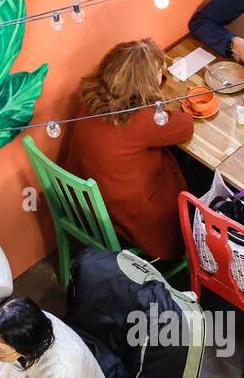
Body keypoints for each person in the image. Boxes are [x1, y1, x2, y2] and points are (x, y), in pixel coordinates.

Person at [61, 39, 198, 263]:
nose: (160, 75)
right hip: (134, 222)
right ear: (142, 83)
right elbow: (185, 126)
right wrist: (157, 94)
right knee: (195, 171)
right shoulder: (143, 119)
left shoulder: (91, 101)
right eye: (157, 72)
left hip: (92, 207)